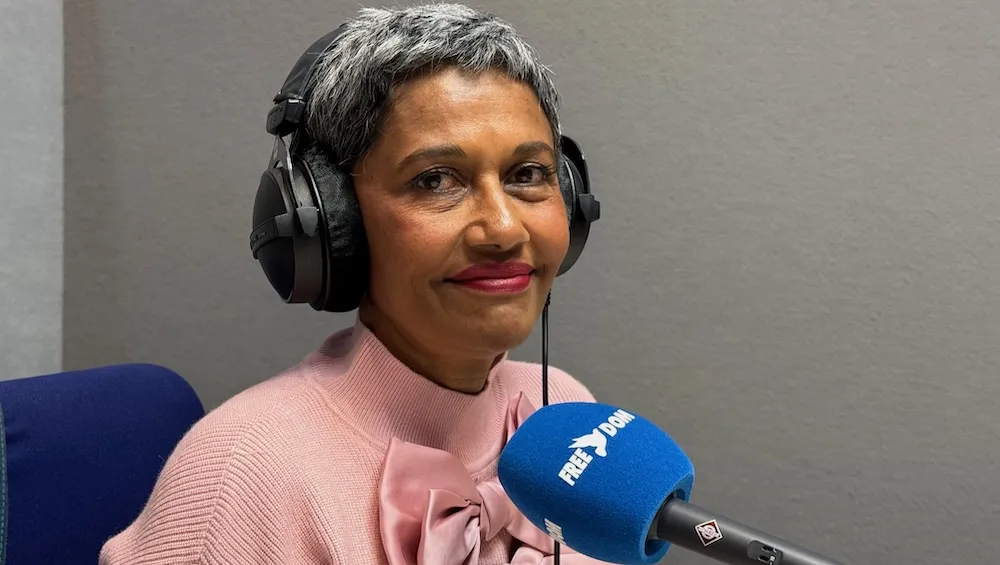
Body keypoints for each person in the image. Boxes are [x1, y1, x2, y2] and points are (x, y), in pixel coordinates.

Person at [99, 4, 611, 564]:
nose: (505, 229)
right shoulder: (237, 480)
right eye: (435, 180)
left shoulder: (563, 412)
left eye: (527, 174)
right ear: (335, 221)